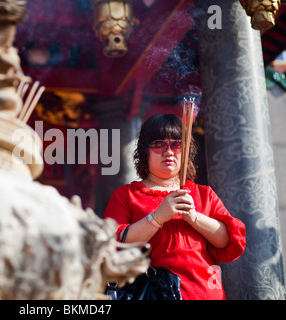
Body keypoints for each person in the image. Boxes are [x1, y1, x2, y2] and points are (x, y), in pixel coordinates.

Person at [103, 113, 246, 300]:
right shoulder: (127, 195)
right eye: (158, 144)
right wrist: (157, 218)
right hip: (152, 294)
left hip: (206, 293)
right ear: (144, 151)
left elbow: (228, 241)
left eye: (176, 144)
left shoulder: (204, 194)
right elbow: (115, 246)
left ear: (186, 150)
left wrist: (195, 218)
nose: (168, 151)